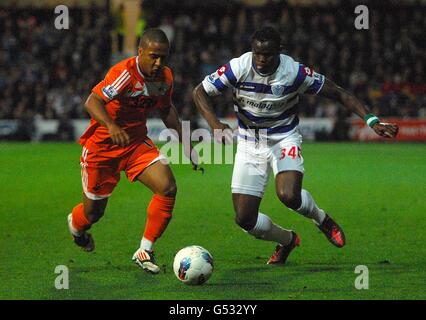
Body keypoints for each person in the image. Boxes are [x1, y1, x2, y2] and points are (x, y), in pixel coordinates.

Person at [193, 26, 398, 265]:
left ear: (280, 51)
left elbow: (339, 93)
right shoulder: (238, 67)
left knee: (288, 195)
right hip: (250, 143)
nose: (261, 59)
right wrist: (214, 123)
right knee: (244, 219)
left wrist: (371, 120)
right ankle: (287, 240)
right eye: (257, 53)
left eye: (268, 54)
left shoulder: (295, 72)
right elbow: (199, 92)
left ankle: (322, 219)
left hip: (284, 138)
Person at [68, 28, 198, 274]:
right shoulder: (124, 74)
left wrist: (186, 141)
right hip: (102, 149)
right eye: (153, 56)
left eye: (163, 57)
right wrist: (111, 125)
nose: (159, 63)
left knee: (167, 187)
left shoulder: (165, 78)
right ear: (140, 52)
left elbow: (166, 109)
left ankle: (145, 250)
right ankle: (76, 227)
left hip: (135, 143)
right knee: (94, 213)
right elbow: (92, 101)